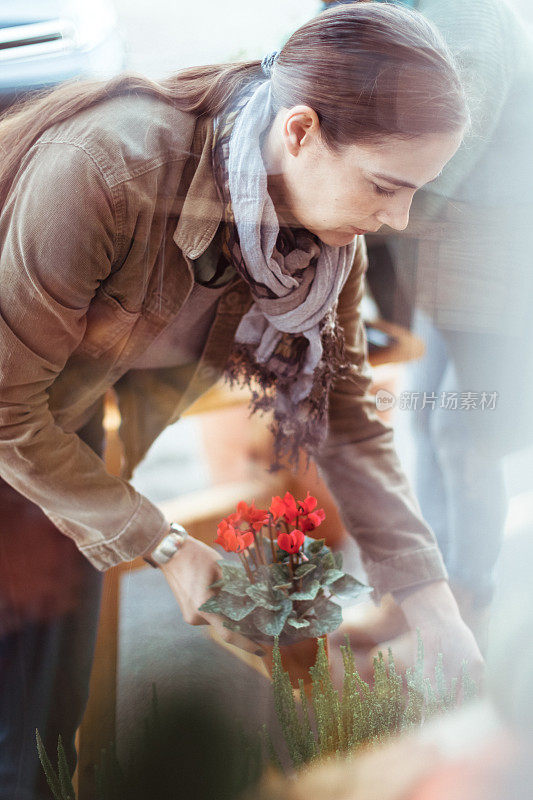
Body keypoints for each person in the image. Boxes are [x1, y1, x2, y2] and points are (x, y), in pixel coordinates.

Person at [0, 3, 482, 797]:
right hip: (17, 410)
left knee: (42, 733)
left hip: (58, 435)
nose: (394, 219)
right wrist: (164, 544)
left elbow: (347, 416)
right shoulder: (106, 171)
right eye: (385, 186)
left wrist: (429, 602)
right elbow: (8, 409)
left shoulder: (324, 245)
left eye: (415, 194)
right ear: (298, 132)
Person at [324, 0, 533, 648]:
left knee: (459, 427)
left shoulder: (468, 11)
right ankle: (429, 591)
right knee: (422, 417)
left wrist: (361, 201)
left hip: (498, 235)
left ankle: (467, 597)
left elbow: (451, 134)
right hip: (441, 234)